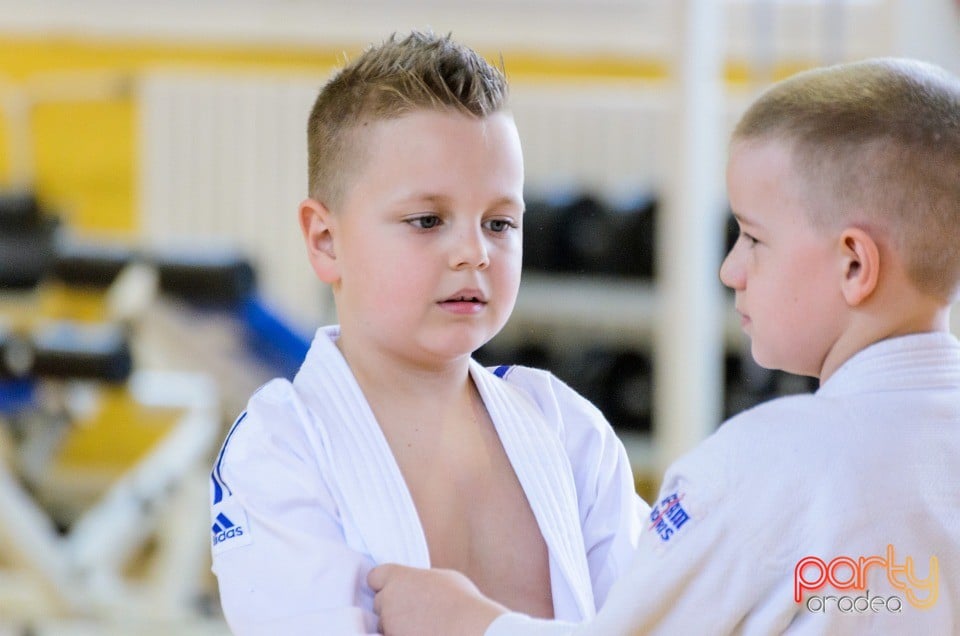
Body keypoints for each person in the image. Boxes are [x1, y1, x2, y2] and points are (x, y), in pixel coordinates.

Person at [369, 56, 960, 635]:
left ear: (855, 263)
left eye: (753, 237)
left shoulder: (763, 469)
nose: (731, 270)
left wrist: (468, 622)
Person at [208, 30, 646, 635]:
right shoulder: (283, 449)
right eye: (427, 220)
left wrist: (479, 627)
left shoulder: (569, 432)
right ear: (325, 240)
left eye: (500, 222)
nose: (474, 252)